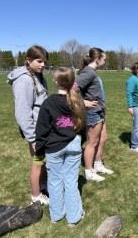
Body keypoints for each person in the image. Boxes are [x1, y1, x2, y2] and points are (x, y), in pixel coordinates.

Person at [35, 67, 85, 226]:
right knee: (71, 182)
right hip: (73, 145)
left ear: (56, 81)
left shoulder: (49, 102)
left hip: (55, 147)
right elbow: (84, 125)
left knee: (55, 182)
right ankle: (72, 218)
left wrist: (39, 149)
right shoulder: (78, 100)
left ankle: (59, 216)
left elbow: (42, 128)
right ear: (72, 82)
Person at [7, 45, 49, 205]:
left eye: (44, 62)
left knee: (43, 161)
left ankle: (43, 186)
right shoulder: (24, 80)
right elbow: (22, 112)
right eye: (39, 61)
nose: (42, 65)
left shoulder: (39, 76)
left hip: (43, 128)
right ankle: (36, 196)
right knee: (37, 162)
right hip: (35, 131)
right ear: (28, 60)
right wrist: (33, 138)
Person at [75, 47, 113, 181]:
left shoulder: (92, 72)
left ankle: (97, 164)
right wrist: (82, 102)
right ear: (98, 59)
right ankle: (89, 171)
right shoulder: (89, 72)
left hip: (100, 111)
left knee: (103, 138)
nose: (106, 61)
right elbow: (73, 88)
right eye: (104, 58)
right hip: (93, 113)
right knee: (92, 142)